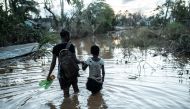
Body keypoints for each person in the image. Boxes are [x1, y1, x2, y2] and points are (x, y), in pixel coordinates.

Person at [47, 29, 82, 97]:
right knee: (76, 90)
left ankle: (66, 104)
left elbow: (53, 63)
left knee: (66, 93)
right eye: (69, 36)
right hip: (73, 72)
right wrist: (82, 62)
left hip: (62, 73)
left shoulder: (55, 48)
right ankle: (77, 104)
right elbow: (75, 60)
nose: (70, 37)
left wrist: (49, 74)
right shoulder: (71, 46)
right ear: (66, 36)